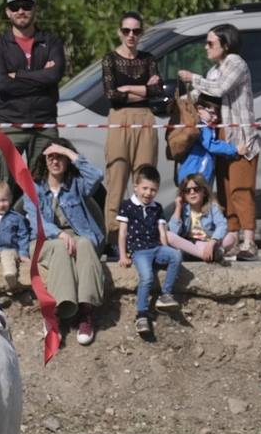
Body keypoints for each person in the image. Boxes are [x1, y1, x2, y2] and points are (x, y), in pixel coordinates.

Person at [178, 24, 261, 260]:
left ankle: (250, 242)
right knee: (225, 193)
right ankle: (232, 241)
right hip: (221, 140)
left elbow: (220, 88)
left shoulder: (235, 63)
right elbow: (203, 95)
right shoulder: (216, 69)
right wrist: (178, 101)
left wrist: (193, 78)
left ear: (226, 45)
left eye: (210, 43)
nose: (206, 47)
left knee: (241, 191)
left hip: (241, 139)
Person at [0, 0, 67, 197]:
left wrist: (18, 75)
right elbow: (2, 85)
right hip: (9, 123)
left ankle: (40, 230)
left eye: (26, 6)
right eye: (15, 7)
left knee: (44, 190)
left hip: (44, 124)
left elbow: (54, 75)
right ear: (8, 12)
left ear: (35, 9)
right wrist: (41, 77)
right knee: (2, 190)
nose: (21, 11)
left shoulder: (51, 42)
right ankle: (3, 230)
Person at [31, 140, 108, 345]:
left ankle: (86, 312)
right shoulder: (35, 188)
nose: (55, 160)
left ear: (67, 160)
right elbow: (35, 221)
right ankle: (53, 313)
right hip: (45, 240)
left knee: (85, 243)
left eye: (60, 157)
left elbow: (97, 175)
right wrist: (59, 234)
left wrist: (66, 150)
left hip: (78, 236)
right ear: (44, 161)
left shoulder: (76, 185)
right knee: (60, 246)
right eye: (51, 157)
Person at [102, 11, 163, 252]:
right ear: (119, 31)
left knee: (145, 178)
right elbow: (111, 93)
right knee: (117, 178)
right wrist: (142, 88)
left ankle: (142, 234)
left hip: (145, 117)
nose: (131, 35)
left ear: (142, 33)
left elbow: (159, 91)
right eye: (126, 30)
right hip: (120, 116)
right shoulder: (110, 59)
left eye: (136, 31)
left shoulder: (148, 59)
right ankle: (113, 236)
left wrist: (127, 86)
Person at [117, 165, 181, 335]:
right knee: (147, 276)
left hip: (156, 247)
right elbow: (123, 232)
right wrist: (123, 255)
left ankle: (166, 294)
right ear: (136, 186)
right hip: (139, 251)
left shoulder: (157, 207)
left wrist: (166, 250)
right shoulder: (127, 206)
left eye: (153, 190)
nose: (148, 193)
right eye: (145, 188)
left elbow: (162, 232)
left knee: (176, 255)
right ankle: (142, 315)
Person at [166, 172, 236, 263]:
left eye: (196, 189)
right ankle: (205, 255)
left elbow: (222, 225)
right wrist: (178, 208)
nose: (192, 193)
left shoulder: (212, 206)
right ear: (183, 194)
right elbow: (174, 232)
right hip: (190, 243)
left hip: (209, 242)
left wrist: (212, 243)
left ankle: (194, 254)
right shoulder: (183, 209)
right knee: (168, 235)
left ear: (204, 192)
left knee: (231, 237)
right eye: (187, 190)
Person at [177, 95, 245, 186]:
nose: (216, 118)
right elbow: (211, 145)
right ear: (200, 109)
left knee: (202, 198)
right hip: (195, 172)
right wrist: (235, 149)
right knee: (194, 196)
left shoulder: (206, 126)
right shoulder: (201, 126)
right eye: (212, 113)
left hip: (199, 171)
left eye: (219, 115)